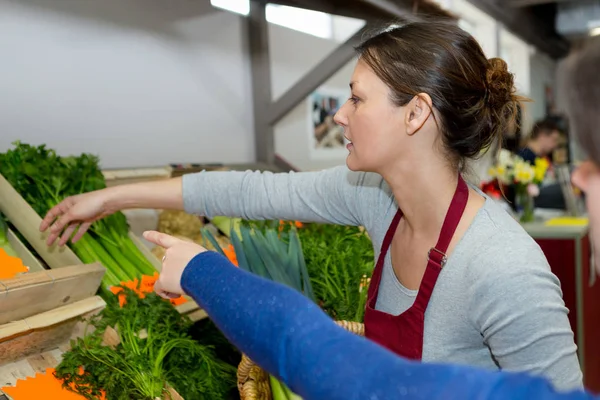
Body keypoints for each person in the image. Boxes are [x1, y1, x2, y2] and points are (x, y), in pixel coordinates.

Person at [40, 21, 582, 390]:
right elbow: (250, 191)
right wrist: (113, 197)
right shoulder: (378, 202)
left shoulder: (503, 267)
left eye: (357, 98)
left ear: (415, 114)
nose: (340, 116)